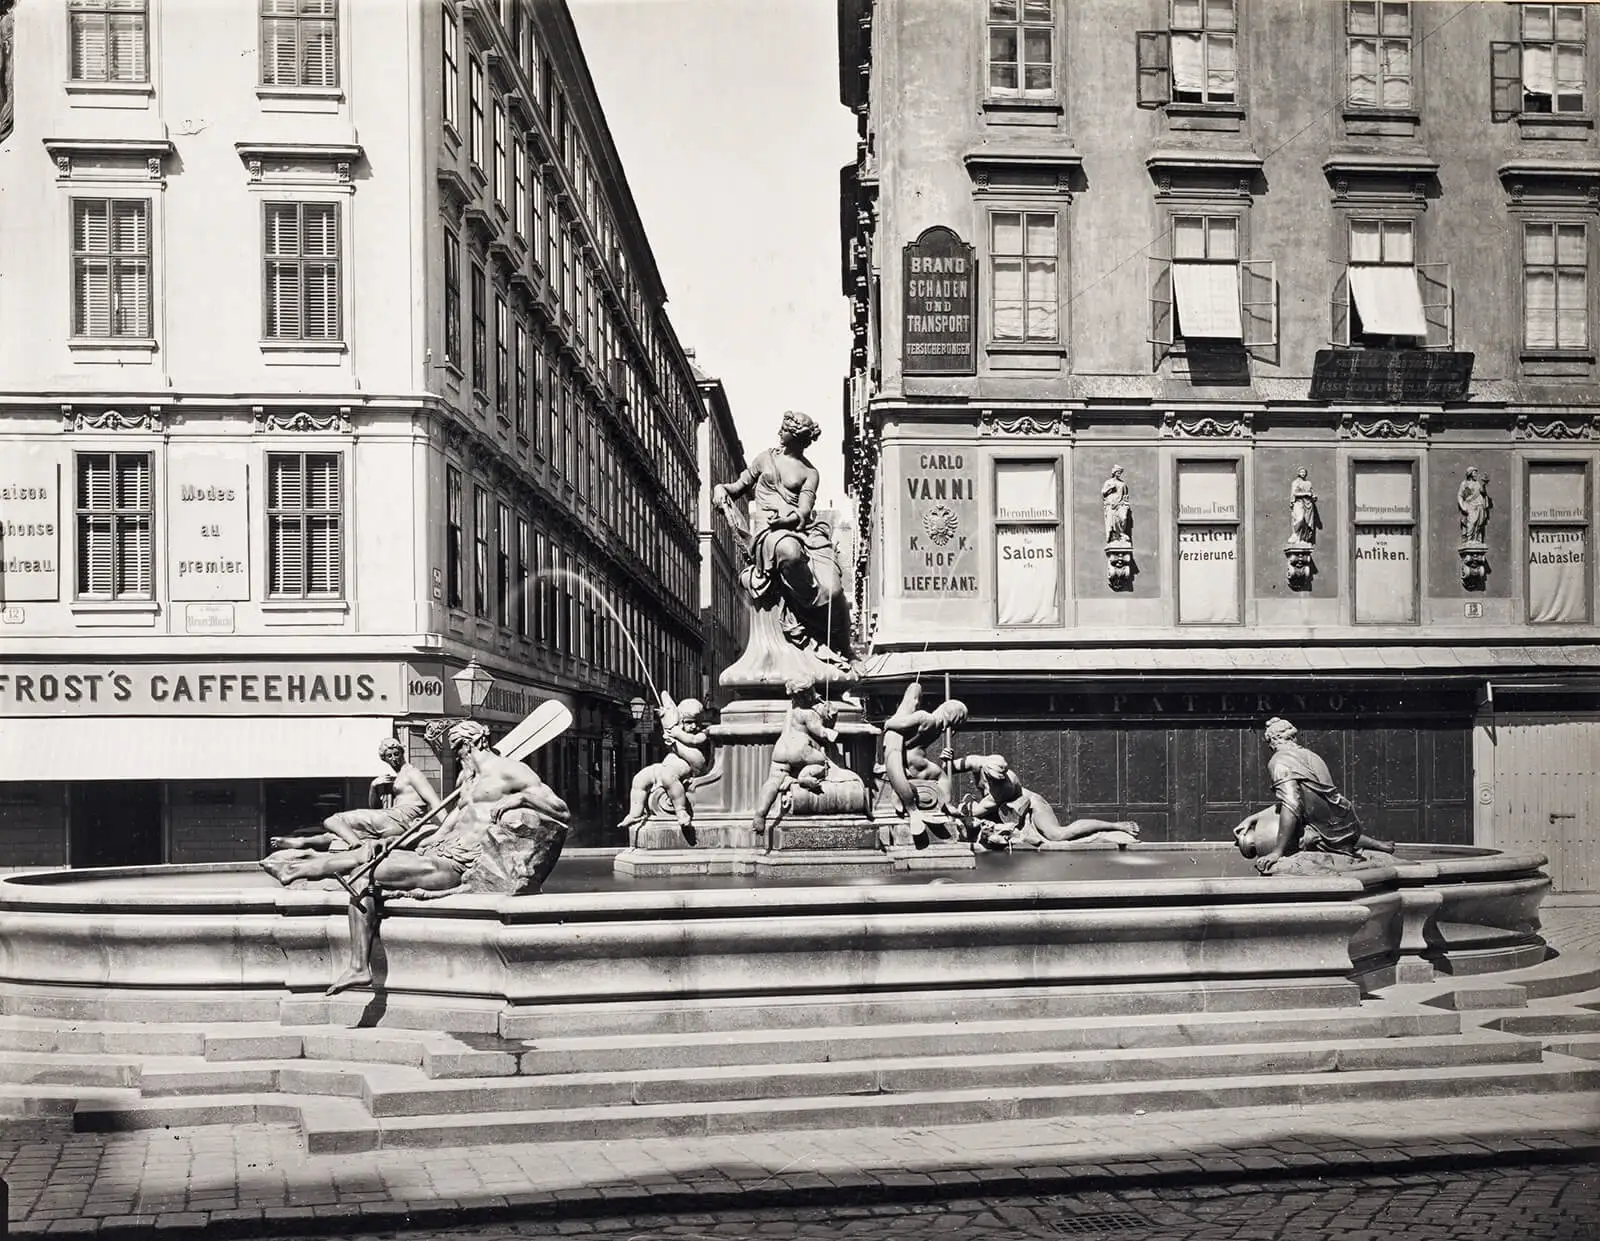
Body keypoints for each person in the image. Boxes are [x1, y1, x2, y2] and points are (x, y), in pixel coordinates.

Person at [260, 719, 570, 995]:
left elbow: (560, 809)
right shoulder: (468, 780)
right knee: (369, 866)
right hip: (438, 851)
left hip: (458, 864)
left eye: (460, 749)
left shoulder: (511, 770)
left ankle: (301, 871)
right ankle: (355, 962)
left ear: (475, 742)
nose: (459, 757)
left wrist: (519, 797)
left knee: (367, 872)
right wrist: (409, 840)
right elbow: (449, 821)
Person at [711, 411, 855, 665]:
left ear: (797, 437)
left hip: (803, 531)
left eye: (785, 428)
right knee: (788, 551)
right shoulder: (764, 459)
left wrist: (788, 520)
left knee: (833, 591)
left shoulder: (810, 472)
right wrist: (720, 488)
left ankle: (818, 625)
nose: (779, 432)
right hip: (770, 534)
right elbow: (738, 487)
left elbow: (804, 510)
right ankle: (801, 614)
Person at [1232, 717, 1394, 875]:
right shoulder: (1311, 755)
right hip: (1347, 823)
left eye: (1269, 742)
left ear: (1274, 740)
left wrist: (1277, 852)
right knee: (1316, 826)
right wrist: (1254, 817)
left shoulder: (1279, 761)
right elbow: (1315, 803)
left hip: (1330, 835)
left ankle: (1373, 845)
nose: (1270, 747)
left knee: (1304, 834)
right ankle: (1377, 844)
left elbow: (1292, 805)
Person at [941, 748, 1140, 850]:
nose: (996, 780)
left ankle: (1116, 826)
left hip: (1032, 805)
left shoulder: (1003, 788)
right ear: (985, 769)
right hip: (1006, 810)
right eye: (992, 778)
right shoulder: (978, 762)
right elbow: (948, 768)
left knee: (1058, 835)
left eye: (999, 778)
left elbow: (975, 811)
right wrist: (946, 759)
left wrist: (954, 809)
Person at [267, 739, 442, 853]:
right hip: (390, 821)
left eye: (397, 753)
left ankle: (356, 846)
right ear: (384, 759)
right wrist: (374, 787)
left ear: (402, 752)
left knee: (333, 820)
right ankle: (302, 842)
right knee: (336, 836)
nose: (394, 758)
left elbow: (435, 802)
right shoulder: (396, 778)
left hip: (400, 819)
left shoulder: (412, 773)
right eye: (389, 756)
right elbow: (376, 809)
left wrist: (448, 827)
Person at [752, 677, 845, 833]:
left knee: (773, 781)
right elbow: (819, 731)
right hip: (801, 750)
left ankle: (760, 814)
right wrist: (830, 730)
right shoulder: (808, 713)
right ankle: (804, 776)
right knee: (822, 763)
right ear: (807, 694)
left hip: (781, 749)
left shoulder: (792, 707)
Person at [618, 696, 712, 831]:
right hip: (668, 765)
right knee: (640, 777)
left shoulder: (702, 734)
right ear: (681, 721)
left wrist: (674, 732)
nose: (694, 726)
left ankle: (681, 810)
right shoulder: (678, 731)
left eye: (697, 722)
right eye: (689, 722)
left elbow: (692, 740)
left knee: (668, 776)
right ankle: (635, 813)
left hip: (686, 767)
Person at [882, 681, 968, 821]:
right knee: (942, 776)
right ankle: (946, 803)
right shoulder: (937, 731)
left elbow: (900, 724)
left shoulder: (924, 717)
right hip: (922, 764)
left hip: (909, 761)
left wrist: (887, 723)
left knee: (941, 775)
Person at [1458, 467, 1492, 544]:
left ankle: (1478, 540)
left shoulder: (1477, 483)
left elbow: (1483, 492)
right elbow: (1460, 495)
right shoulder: (1465, 484)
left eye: (1476, 472)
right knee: (1471, 523)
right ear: (1470, 473)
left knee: (1480, 524)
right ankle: (1469, 540)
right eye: (1474, 472)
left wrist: (1484, 484)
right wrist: (1463, 507)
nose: (1476, 474)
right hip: (1470, 506)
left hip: (1480, 506)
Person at [1102, 466, 1132, 544]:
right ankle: (1114, 536)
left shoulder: (1123, 484)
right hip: (1111, 505)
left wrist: (1125, 504)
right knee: (1112, 521)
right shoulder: (1108, 482)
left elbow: (1125, 496)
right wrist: (1110, 489)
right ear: (1114, 472)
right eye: (1118, 472)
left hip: (1120, 504)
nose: (1119, 473)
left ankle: (1121, 533)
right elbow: (1103, 493)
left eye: (1120, 472)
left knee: (1123, 517)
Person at [1290, 468, 1320, 546]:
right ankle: (1296, 535)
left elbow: (1311, 493)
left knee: (1306, 523)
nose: (1303, 473)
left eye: (1304, 472)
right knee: (1300, 518)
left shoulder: (1308, 483)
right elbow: (1295, 493)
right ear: (1298, 473)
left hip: (1308, 505)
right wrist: (1306, 494)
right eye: (1301, 472)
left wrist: (1314, 497)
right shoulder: (1295, 482)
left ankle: (1303, 539)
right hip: (1299, 503)